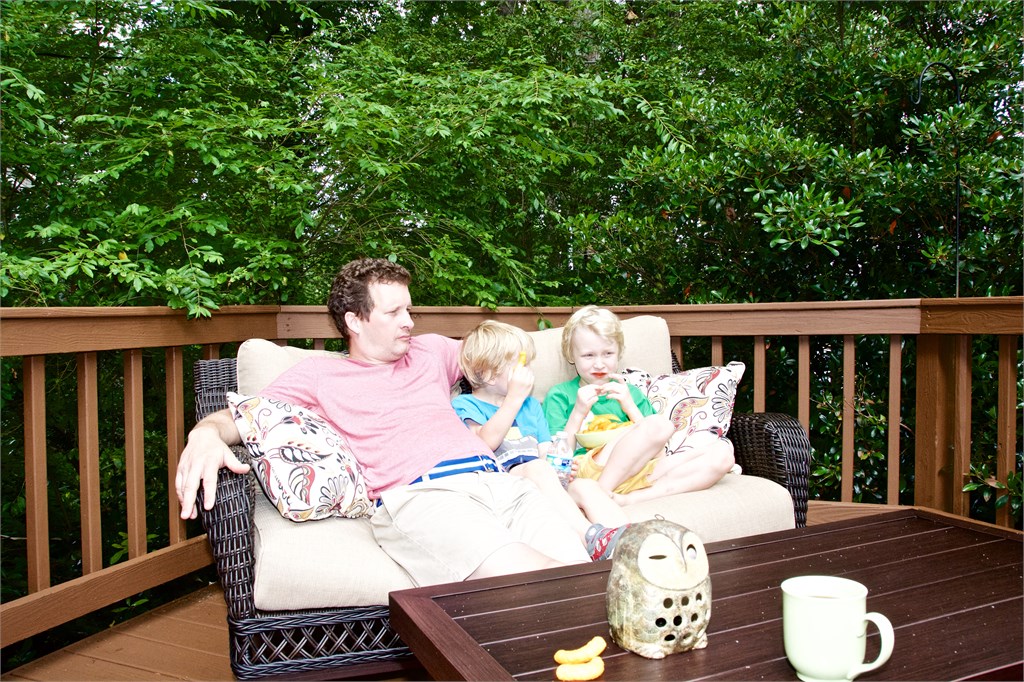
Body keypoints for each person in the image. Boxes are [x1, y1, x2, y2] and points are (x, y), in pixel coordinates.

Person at [175, 258, 589, 586]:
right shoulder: (319, 375)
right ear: (355, 321)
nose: (409, 321)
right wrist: (205, 434)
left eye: (409, 309)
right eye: (394, 312)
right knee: (539, 581)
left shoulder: (430, 351)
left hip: (501, 484)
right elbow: (242, 417)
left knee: (586, 570)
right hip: (425, 497)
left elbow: (495, 353)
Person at [452, 320, 630, 560]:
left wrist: (560, 465)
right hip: (504, 488)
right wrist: (514, 399)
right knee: (536, 467)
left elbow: (545, 451)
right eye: (521, 364)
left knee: (585, 485)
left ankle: (633, 544)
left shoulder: (530, 406)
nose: (528, 372)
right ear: (488, 373)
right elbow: (485, 442)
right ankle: (590, 537)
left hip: (543, 483)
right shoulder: (465, 405)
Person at [543, 305, 735, 505]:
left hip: (639, 470)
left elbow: (659, 452)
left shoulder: (631, 394)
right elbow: (557, 460)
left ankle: (626, 500)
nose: (599, 363)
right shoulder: (560, 395)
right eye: (588, 355)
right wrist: (578, 412)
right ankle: (600, 493)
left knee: (723, 454)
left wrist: (629, 406)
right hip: (590, 470)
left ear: (619, 353)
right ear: (571, 356)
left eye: (607, 353)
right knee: (659, 424)